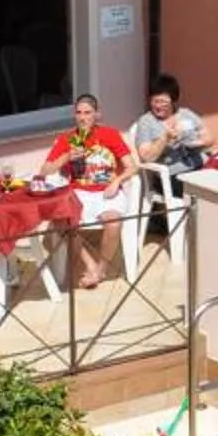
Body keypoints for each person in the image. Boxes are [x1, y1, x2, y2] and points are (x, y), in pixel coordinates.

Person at [43, 93, 135, 289]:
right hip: (79, 192)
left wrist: (116, 181)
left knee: (113, 223)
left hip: (106, 191)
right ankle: (90, 264)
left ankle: (101, 270)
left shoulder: (110, 135)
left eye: (88, 113)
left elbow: (132, 166)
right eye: (79, 113)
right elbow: (45, 170)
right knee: (61, 222)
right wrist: (66, 156)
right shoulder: (67, 139)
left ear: (97, 114)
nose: (83, 117)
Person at [128, 73, 211, 177]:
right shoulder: (146, 122)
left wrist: (198, 143)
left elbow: (209, 137)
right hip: (173, 175)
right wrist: (164, 139)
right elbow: (146, 156)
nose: (158, 106)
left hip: (200, 164)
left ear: (174, 100)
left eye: (163, 102)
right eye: (155, 101)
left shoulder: (186, 114)